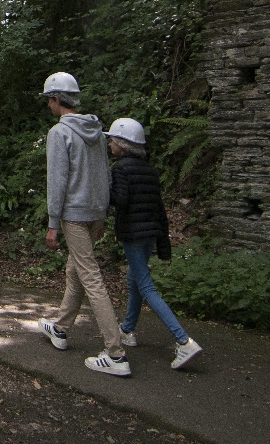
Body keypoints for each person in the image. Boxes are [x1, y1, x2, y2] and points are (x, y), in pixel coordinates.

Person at [35, 72, 130, 377]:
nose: (48, 105)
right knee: (74, 269)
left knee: (91, 278)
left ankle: (115, 354)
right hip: (93, 213)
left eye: (48, 100)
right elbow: (105, 175)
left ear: (55, 99)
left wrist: (52, 223)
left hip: (74, 214)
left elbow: (57, 181)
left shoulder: (59, 133)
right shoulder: (97, 131)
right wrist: (101, 215)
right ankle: (61, 329)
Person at [106, 117, 202, 370]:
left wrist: (105, 189)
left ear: (122, 144)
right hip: (150, 233)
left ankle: (184, 341)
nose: (109, 144)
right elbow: (158, 208)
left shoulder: (120, 168)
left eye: (112, 140)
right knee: (134, 280)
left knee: (146, 286)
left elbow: (121, 200)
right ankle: (127, 329)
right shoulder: (148, 169)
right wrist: (162, 241)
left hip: (134, 234)